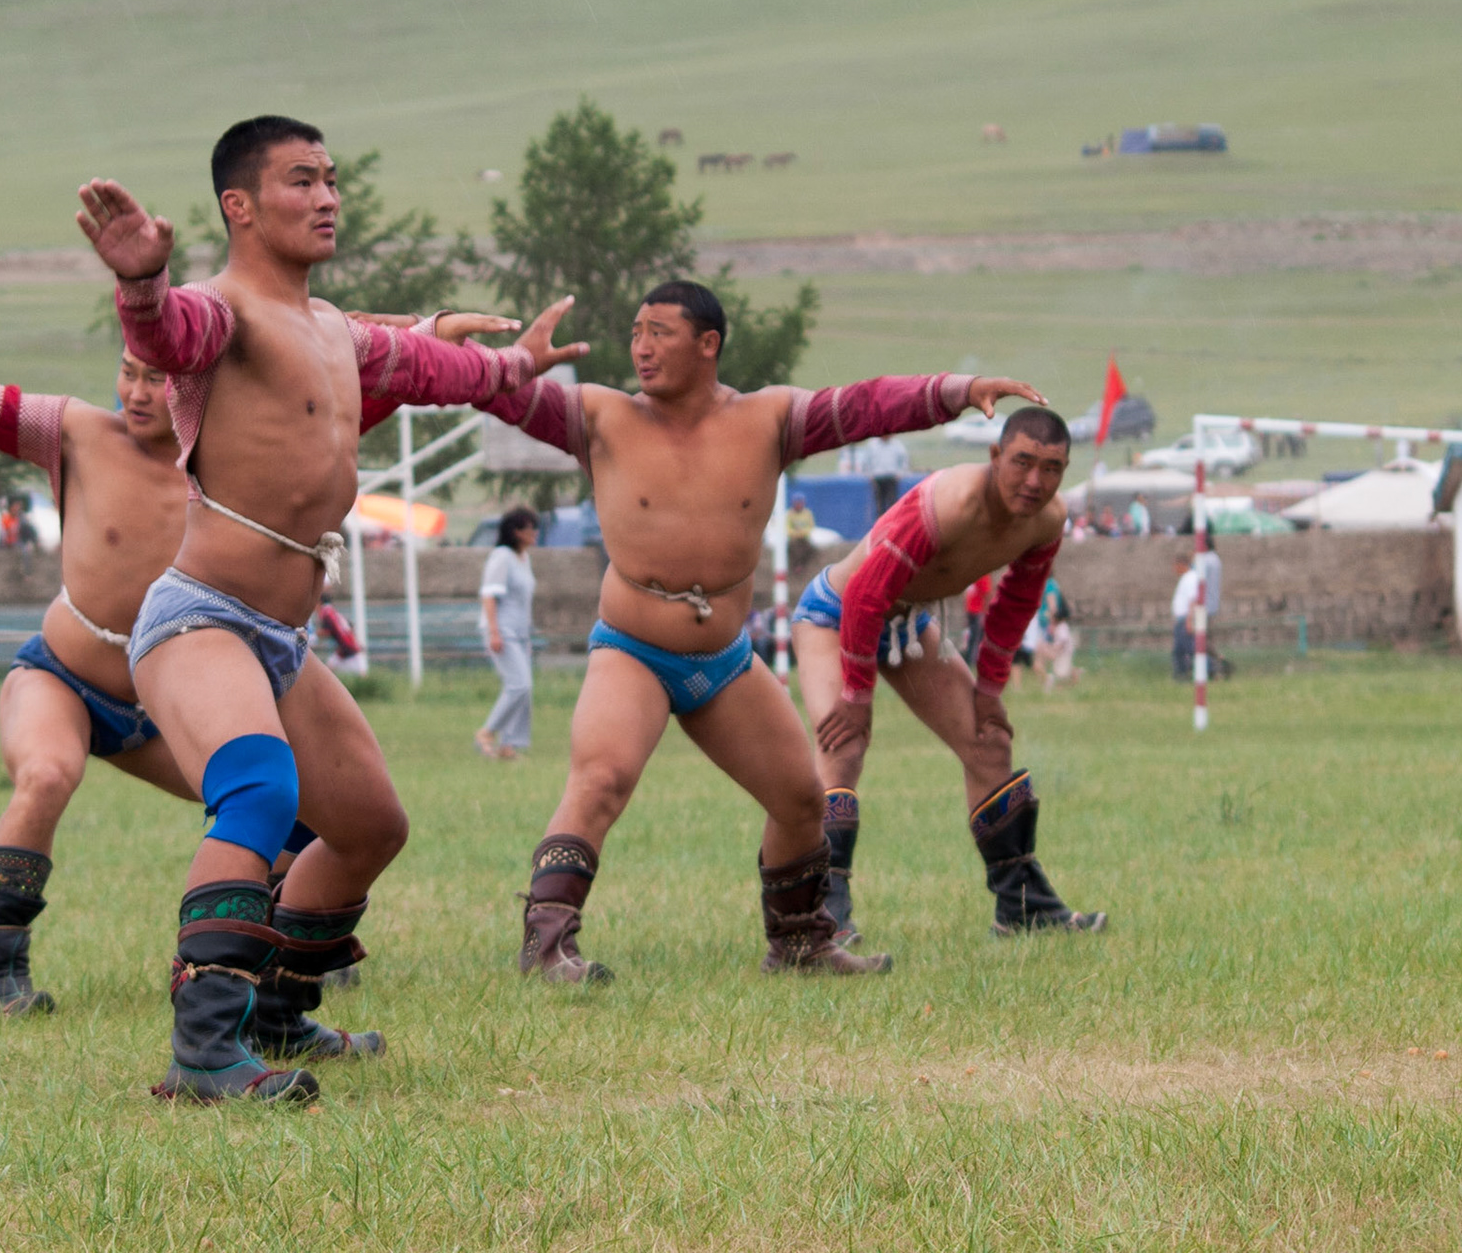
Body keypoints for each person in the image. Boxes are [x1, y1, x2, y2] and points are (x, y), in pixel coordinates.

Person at [0, 290, 506, 1030]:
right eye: (129, 372)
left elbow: (342, 396)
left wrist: (428, 336)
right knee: (48, 774)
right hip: (61, 675)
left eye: (159, 378)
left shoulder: (234, 450)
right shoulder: (76, 433)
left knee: (287, 802)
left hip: (163, 702)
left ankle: (271, 962)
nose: (141, 391)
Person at [90, 115, 583, 1103]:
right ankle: (204, 1055)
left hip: (279, 637)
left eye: (331, 180)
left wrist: (520, 366)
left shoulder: (340, 334)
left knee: (367, 827)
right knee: (263, 795)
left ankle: (280, 1015)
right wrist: (141, 281)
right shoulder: (216, 314)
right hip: (200, 617)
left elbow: (454, 373)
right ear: (240, 205)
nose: (326, 198)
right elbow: (163, 333)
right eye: (301, 180)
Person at [467, 278, 1041, 983]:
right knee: (602, 779)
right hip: (633, 651)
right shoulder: (600, 415)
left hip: (726, 658)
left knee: (801, 798)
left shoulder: (769, 418)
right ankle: (547, 946)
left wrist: (959, 387)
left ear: (709, 344)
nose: (641, 347)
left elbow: (862, 406)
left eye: (660, 333)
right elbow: (496, 395)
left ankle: (798, 944)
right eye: (637, 332)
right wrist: (510, 367)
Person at [792, 407, 1106, 950]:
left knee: (990, 742)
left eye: (1052, 468)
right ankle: (824, 915)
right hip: (835, 614)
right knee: (844, 747)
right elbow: (865, 594)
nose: (1035, 481)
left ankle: (1021, 905)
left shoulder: (1049, 520)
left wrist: (988, 692)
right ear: (995, 457)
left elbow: (1017, 601)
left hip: (907, 623)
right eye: (1022, 463)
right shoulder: (948, 503)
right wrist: (855, 696)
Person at [475, 506, 540, 761]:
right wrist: (494, 632)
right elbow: (489, 595)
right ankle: (487, 732)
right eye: (529, 528)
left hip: (520, 631)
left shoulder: (524, 558)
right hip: (502, 630)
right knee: (518, 684)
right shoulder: (502, 557)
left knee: (525, 687)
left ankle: (509, 745)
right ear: (516, 532)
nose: (534, 533)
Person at [313, 594, 368, 678]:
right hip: (350, 646)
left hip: (346, 647)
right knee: (329, 668)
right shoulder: (333, 612)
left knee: (327, 672)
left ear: (319, 602)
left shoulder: (326, 612)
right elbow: (350, 627)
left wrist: (313, 636)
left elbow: (326, 631)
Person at [1171, 553, 1200, 680]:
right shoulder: (1186, 578)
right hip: (1181, 619)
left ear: (1182, 565)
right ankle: (1182, 674)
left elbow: (1192, 600)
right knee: (1180, 650)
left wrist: (1189, 620)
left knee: (1190, 649)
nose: (1174, 569)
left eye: (1176, 565)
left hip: (1185, 619)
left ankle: (1211, 669)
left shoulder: (1190, 578)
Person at [961, 574, 992, 667]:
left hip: (978, 612)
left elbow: (987, 595)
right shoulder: (972, 575)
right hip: (970, 612)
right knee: (970, 637)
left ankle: (973, 662)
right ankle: (968, 660)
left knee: (975, 638)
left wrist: (984, 614)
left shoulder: (983, 576)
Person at [784, 492, 816, 571]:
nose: (798, 505)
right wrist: (796, 533)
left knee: (809, 548)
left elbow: (810, 526)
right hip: (793, 538)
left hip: (804, 537)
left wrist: (802, 532)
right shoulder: (789, 514)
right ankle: (795, 565)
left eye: (800, 502)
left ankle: (803, 565)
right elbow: (787, 528)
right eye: (797, 502)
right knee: (794, 547)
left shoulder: (807, 513)